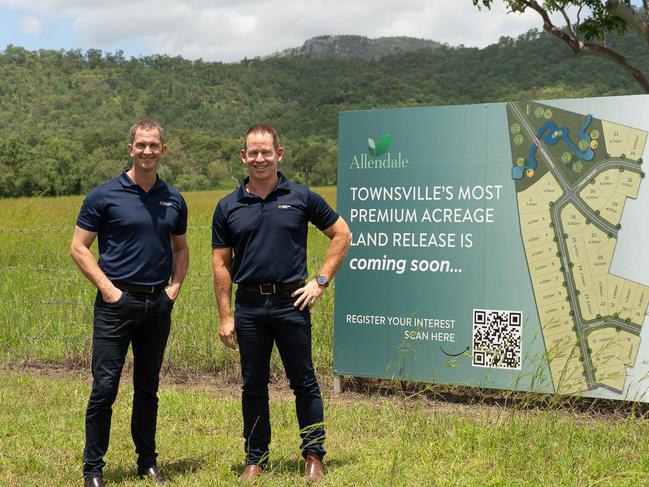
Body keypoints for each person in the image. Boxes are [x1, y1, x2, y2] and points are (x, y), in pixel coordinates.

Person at [211, 124, 351, 483]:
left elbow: (342, 233)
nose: (260, 158)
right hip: (250, 306)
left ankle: (314, 455)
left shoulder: (301, 196)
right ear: (243, 157)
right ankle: (256, 458)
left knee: (303, 382)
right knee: (252, 385)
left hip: (292, 303)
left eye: (266, 152)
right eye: (253, 153)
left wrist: (319, 282)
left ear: (279, 154)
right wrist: (226, 316)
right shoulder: (227, 207)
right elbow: (221, 264)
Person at [70, 120, 189, 487]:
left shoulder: (174, 198)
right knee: (105, 386)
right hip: (115, 304)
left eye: (154, 145)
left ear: (163, 150)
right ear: (130, 148)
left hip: (157, 304)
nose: (148, 151)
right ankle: (93, 469)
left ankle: (147, 462)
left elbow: (181, 249)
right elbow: (78, 248)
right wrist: (109, 291)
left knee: (148, 387)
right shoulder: (104, 195)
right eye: (141, 145)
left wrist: (174, 288)